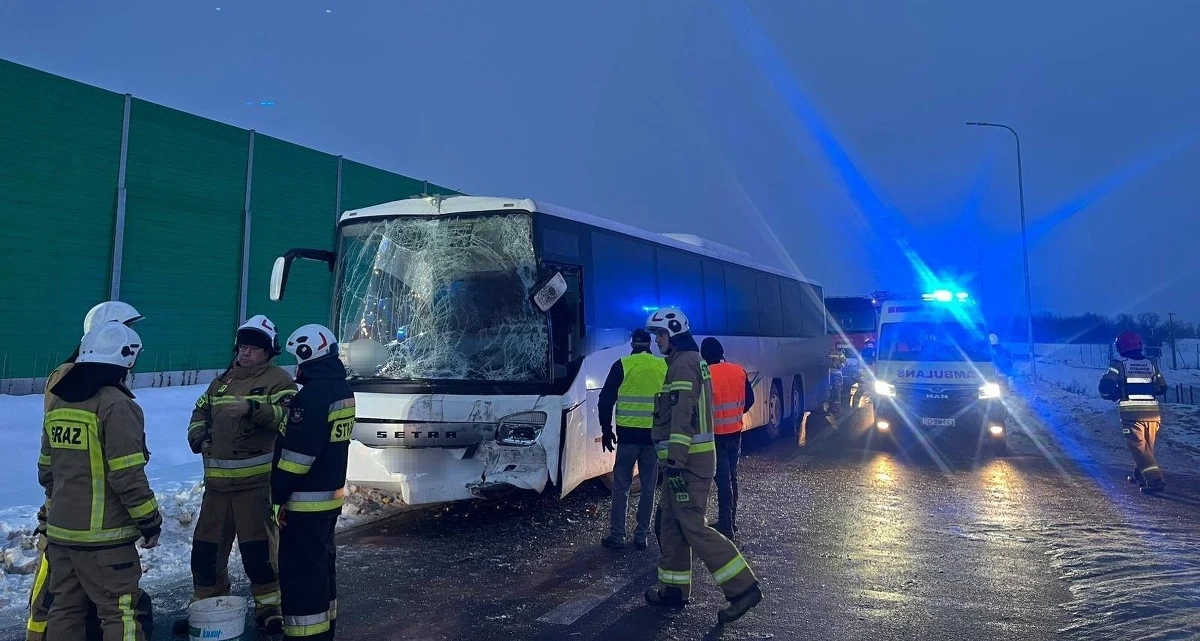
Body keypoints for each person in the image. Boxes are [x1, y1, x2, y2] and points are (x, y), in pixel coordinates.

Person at [29, 301, 145, 641]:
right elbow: (125, 473)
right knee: (118, 611)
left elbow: (47, 465)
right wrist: (148, 519)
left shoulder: (68, 387)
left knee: (65, 605)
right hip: (102, 529)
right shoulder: (109, 399)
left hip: (66, 522)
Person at [176, 315, 297, 636]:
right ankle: (205, 606)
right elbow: (200, 410)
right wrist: (199, 436)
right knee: (206, 551)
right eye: (243, 347)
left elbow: (289, 418)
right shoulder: (223, 381)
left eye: (253, 349)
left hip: (255, 489)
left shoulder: (279, 381)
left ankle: (270, 609)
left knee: (258, 553)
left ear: (269, 352)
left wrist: (253, 409)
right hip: (216, 488)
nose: (245, 354)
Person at [643, 308, 762, 624]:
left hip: (687, 465)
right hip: (685, 463)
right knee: (670, 520)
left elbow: (682, 417)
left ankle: (743, 589)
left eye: (660, 335)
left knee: (692, 525)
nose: (656, 341)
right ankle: (673, 588)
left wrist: (675, 461)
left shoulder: (683, 366)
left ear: (674, 334)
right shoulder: (688, 362)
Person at [273, 324, 354, 640]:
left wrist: (278, 494)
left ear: (308, 354)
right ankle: (325, 630)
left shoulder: (312, 396)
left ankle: (305, 637)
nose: (296, 364)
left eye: (297, 357)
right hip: (328, 501)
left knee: (300, 576)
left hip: (303, 503)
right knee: (321, 570)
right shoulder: (340, 390)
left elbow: (298, 456)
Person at [598, 329, 667, 550]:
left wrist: (606, 429)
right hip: (652, 438)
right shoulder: (662, 366)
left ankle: (617, 536)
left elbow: (605, 399)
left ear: (632, 345)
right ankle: (641, 536)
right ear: (649, 345)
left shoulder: (622, 365)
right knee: (648, 486)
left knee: (621, 486)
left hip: (627, 437)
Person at [1099, 330, 1169, 494]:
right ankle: (1139, 475)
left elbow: (1105, 388)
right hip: (1153, 414)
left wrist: (1114, 395)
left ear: (1120, 347)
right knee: (1147, 448)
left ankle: (1155, 480)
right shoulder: (1151, 363)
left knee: (1139, 447)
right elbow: (1162, 387)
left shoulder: (1118, 364)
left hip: (1131, 414)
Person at [700, 337, 754, 540]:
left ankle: (726, 525)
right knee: (732, 477)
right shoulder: (738, 370)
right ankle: (731, 520)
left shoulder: (706, 375)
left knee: (722, 480)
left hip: (716, 435)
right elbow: (750, 399)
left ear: (705, 355)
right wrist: (738, 414)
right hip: (735, 432)